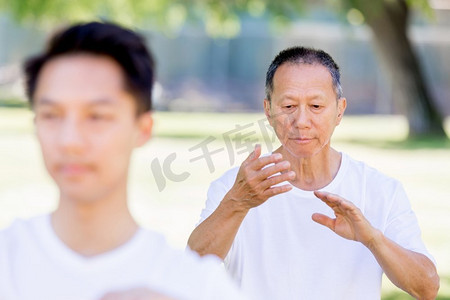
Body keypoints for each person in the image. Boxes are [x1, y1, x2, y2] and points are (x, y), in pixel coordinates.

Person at [0, 21, 245, 300]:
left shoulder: (194, 286)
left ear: (142, 129)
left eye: (97, 116)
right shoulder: (6, 263)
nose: (70, 140)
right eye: (51, 115)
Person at [188, 46, 440, 300]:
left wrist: (373, 239)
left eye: (316, 106)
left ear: (339, 110)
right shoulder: (236, 187)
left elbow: (427, 288)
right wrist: (236, 204)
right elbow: (190, 272)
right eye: (288, 106)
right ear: (268, 110)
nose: (301, 121)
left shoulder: (379, 189)